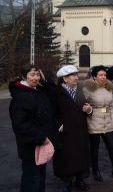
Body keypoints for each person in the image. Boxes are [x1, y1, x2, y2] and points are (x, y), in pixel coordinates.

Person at [9, 64, 58, 192]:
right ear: (24, 77)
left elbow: (54, 95)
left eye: (37, 75)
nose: (36, 78)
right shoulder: (20, 97)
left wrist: (45, 81)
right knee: (32, 179)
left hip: (41, 143)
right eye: (32, 75)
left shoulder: (37, 91)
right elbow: (21, 125)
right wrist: (41, 137)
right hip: (31, 146)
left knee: (40, 177)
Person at [50, 65, 92, 191]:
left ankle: (80, 179)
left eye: (76, 74)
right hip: (66, 132)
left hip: (80, 130)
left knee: (81, 156)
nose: (76, 77)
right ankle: (67, 182)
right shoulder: (56, 92)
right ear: (65, 79)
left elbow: (88, 106)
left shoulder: (81, 89)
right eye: (72, 75)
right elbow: (51, 112)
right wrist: (58, 125)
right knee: (67, 158)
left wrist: (89, 110)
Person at [83, 65, 113, 181]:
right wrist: (88, 111)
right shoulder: (88, 89)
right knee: (94, 149)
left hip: (107, 122)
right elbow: (84, 105)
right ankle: (96, 171)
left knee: (112, 147)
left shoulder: (109, 88)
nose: (103, 77)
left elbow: (111, 107)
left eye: (105, 75)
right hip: (94, 122)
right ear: (94, 77)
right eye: (101, 75)